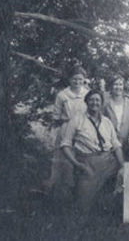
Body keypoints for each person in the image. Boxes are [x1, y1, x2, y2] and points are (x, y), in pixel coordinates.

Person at [59, 89, 124, 214]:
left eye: (98, 100)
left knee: (121, 190)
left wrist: (122, 166)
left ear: (102, 103)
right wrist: (78, 164)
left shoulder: (107, 122)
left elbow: (116, 145)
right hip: (87, 164)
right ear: (86, 102)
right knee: (83, 209)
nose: (95, 103)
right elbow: (65, 145)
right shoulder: (77, 119)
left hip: (108, 162)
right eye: (92, 100)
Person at [43, 66, 89, 195]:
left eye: (80, 79)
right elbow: (56, 115)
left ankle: (81, 190)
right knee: (65, 159)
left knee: (82, 157)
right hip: (66, 127)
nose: (77, 82)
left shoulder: (86, 93)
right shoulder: (62, 95)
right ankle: (62, 190)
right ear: (70, 80)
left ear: (84, 80)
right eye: (75, 79)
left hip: (83, 129)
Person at [102, 73, 129, 146]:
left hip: (127, 142)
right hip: (110, 141)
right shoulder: (105, 103)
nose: (118, 87)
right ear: (111, 86)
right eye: (115, 84)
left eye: (120, 84)